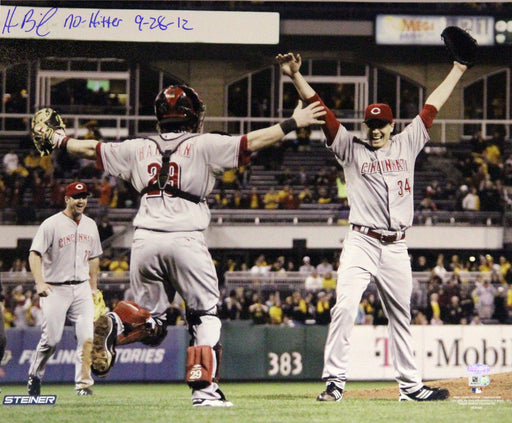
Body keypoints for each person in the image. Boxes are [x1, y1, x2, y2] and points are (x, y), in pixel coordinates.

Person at [31, 84, 325, 407]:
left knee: (153, 322)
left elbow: (90, 149)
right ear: (193, 115)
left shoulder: (136, 147)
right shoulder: (204, 144)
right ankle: (205, 391)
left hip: (143, 240)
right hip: (185, 237)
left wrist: (57, 139)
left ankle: (115, 324)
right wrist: (293, 122)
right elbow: (252, 141)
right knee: (204, 314)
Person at [276, 51, 468, 402]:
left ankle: (410, 387)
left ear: (392, 125)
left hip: (396, 245)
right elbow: (322, 111)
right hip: (362, 241)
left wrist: (458, 68)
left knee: (402, 316)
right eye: (371, 125)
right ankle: (335, 383)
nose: (376, 130)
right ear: (365, 126)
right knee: (346, 306)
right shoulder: (351, 147)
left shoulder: (408, 142)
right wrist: (294, 77)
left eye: (381, 125)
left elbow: (433, 104)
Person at [27, 181, 102, 396]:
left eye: (84, 197)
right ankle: (35, 375)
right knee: (51, 340)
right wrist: (39, 282)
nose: (81, 201)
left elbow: (94, 257)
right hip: (55, 288)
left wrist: (93, 287)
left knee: (87, 338)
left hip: (81, 288)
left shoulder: (91, 225)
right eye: (76, 197)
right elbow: (34, 254)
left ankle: (84, 385)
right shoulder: (51, 224)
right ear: (66, 199)